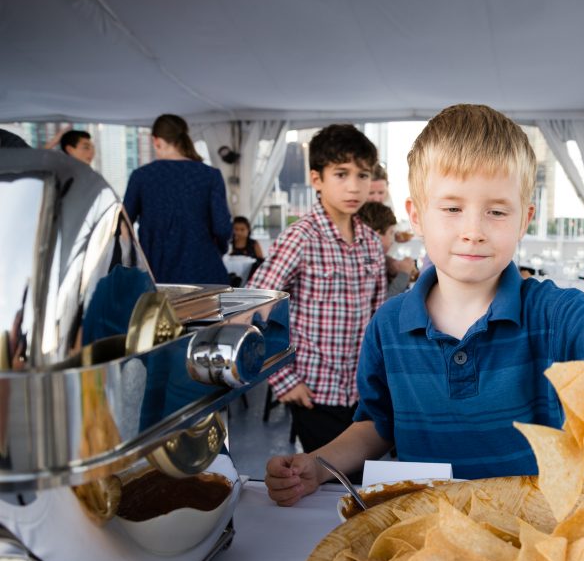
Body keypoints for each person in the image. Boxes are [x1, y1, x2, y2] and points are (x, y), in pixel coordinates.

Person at [263, 104, 584, 505]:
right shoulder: (388, 325)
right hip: (424, 533)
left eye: (496, 211)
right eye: (452, 208)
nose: (473, 230)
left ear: (524, 219)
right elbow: (378, 426)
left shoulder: (551, 311)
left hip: (532, 531)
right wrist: (319, 465)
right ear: (416, 216)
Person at [248, 124, 386, 453]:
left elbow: (378, 319)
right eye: (341, 174)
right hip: (315, 393)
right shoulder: (302, 237)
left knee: (362, 485)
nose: (354, 186)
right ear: (316, 180)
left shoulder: (370, 242)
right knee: (326, 482)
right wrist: (282, 379)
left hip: (363, 393)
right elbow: (251, 309)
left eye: (363, 175)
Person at [123, 114, 232, 284]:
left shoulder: (141, 177)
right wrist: (218, 249)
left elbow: (124, 226)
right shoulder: (210, 175)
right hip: (203, 270)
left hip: (156, 273)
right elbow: (223, 228)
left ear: (156, 141)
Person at [357, 201, 418, 298]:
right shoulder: (366, 264)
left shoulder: (366, 257)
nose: (392, 240)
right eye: (391, 233)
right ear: (376, 236)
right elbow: (384, 302)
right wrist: (404, 273)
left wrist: (388, 263)